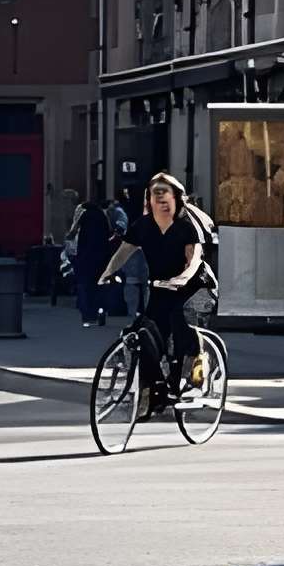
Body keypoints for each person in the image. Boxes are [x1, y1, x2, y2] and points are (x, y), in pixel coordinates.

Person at [102, 172, 205, 406]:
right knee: (146, 333)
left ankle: (185, 375)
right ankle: (153, 389)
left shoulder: (185, 227)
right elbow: (124, 251)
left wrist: (183, 278)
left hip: (187, 288)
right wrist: (106, 273)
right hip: (158, 289)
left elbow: (194, 260)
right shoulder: (143, 226)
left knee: (179, 326)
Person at [72, 184, 114, 325]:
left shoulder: (84, 217)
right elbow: (108, 234)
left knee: (86, 286)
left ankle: (87, 315)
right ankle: (101, 312)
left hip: (86, 257)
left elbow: (76, 235)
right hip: (101, 257)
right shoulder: (102, 216)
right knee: (100, 286)